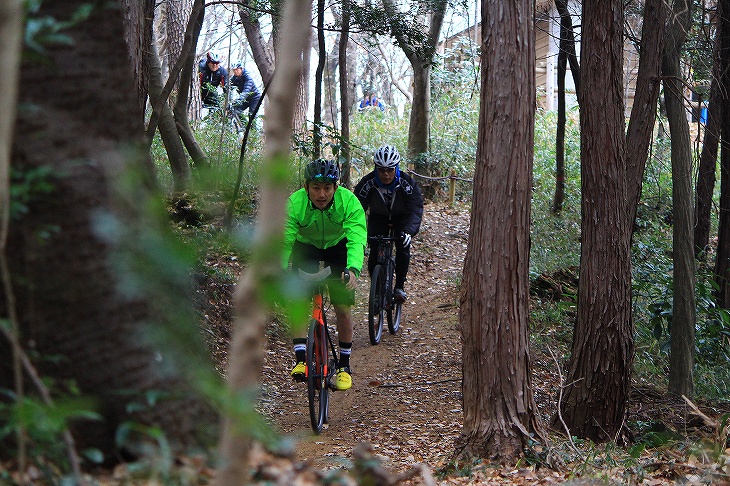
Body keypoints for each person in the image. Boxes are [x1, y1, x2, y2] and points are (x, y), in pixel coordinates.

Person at [282, 158, 367, 391]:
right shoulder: (295, 203)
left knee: (342, 306)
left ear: (335, 188)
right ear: (306, 187)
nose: (322, 194)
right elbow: (285, 239)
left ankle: (344, 366)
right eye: (316, 188)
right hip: (306, 246)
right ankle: (301, 359)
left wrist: (352, 269)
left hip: (338, 247)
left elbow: (356, 237)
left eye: (327, 188)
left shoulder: (348, 202)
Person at [354, 145, 423, 302]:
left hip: (401, 217)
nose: (386, 174)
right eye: (381, 170)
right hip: (378, 217)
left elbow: (416, 209)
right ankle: (377, 291)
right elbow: (356, 209)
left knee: (403, 246)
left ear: (396, 168)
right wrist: (359, 231)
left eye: (390, 170)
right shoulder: (367, 183)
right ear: (376, 168)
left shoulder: (408, 184)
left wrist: (409, 231)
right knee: (374, 250)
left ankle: (399, 287)